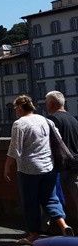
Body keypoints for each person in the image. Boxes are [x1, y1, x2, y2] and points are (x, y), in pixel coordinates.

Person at [5, 95, 74, 244]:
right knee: (51, 198)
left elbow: (14, 149)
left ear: (21, 108)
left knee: (30, 202)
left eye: (15, 108)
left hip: (28, 170)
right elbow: (58, 140)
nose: (15, 111)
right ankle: (64, 225)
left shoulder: (20, 123)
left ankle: (33, 236)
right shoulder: (46, 120)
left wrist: (7, 166)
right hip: (49, 167)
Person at [46, 91, 78, 221]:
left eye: (47, 103)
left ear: (52, 104)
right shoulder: (72, 118)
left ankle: (45, 225)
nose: (45, 106)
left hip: (64, 165)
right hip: (75, 161)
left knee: (50, 194)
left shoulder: (54, 119)